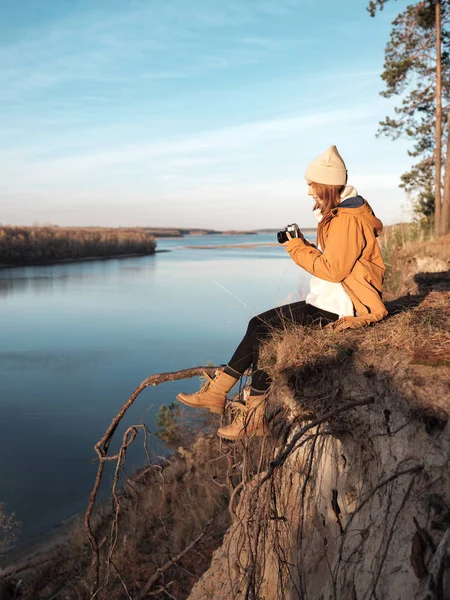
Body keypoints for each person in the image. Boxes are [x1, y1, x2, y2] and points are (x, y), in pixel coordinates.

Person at [177, 146, 387, 441]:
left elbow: (334, 270)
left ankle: (253, 418)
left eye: (311, 185)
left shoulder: (346, 220)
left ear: (326, 185)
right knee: (256, 324)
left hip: (343, 304)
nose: (309, 191)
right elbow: (336, 261)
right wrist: (302, 242)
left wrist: (295, 248)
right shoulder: (340, 214)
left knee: (266, 334)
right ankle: (217, 392)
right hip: (330, 298)